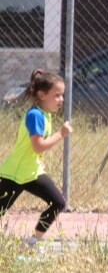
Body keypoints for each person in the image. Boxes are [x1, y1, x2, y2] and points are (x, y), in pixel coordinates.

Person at [0, 69, 70, 245]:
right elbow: (38, 146)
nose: (61, 99)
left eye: (62, 95)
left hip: (31, 172)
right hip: (15, 173)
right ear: (42, 94)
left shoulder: (45, 115)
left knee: (58, 203)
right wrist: (61, 134)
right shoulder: (35, 115)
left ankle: (32, 241)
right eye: (57, 95)